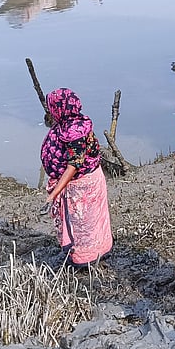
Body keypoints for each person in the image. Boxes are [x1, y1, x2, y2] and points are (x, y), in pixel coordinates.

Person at [41, 88, 111, 266]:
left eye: (51, 108)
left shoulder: (75, 132)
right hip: (78, 183)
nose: (50, 112)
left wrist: (54, 194)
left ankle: (86, 260)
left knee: (84, 225)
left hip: (83, 186)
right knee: (81, 224)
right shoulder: (68, 123)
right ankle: (84, 254)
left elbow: (74, 165)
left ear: (60, 109)